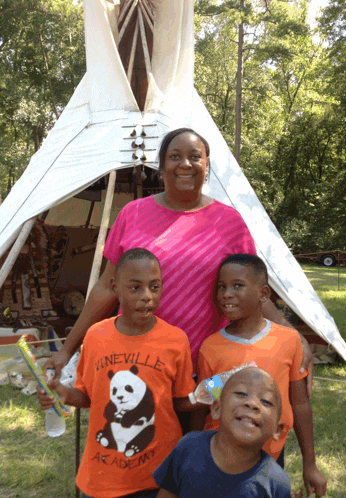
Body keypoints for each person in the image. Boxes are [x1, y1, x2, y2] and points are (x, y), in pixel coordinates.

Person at [44, 128, 312, 389]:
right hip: (136, 360)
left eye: (195, 156)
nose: (186, 164)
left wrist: (291, 334)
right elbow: (106, 286)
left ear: (207, 167)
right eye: (175, 156)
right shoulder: (132, 214)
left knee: (197, 435)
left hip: (204, 365)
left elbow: (252, 291)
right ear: (161, 167)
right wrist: (67, 350)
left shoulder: (228, 222)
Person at [37, 248, 196, 498]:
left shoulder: (175, 341)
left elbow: (180, 400)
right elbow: (88, 396)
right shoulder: (95, 337)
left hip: (158, 476)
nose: (147, 297)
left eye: (155, 287)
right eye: (135, 288)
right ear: (114, 287)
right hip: (103, 477)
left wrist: (213, 393)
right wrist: (63, 395)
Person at [197, 254, 327, 498]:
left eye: (237, 286)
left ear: (264, 294)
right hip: (219, 458)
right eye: (221, 287)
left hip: (272, 453)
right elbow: (204, 403)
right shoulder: (210, 348)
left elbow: (300, 404)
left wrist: (310, 465)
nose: (226, 294)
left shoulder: (289, 342)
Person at [154, 367, 291, 498]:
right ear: (217, 408)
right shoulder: (187, 448)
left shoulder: (276, 484)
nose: (252, 403)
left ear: (277, 429)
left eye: (265, 401)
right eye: (241, 393)